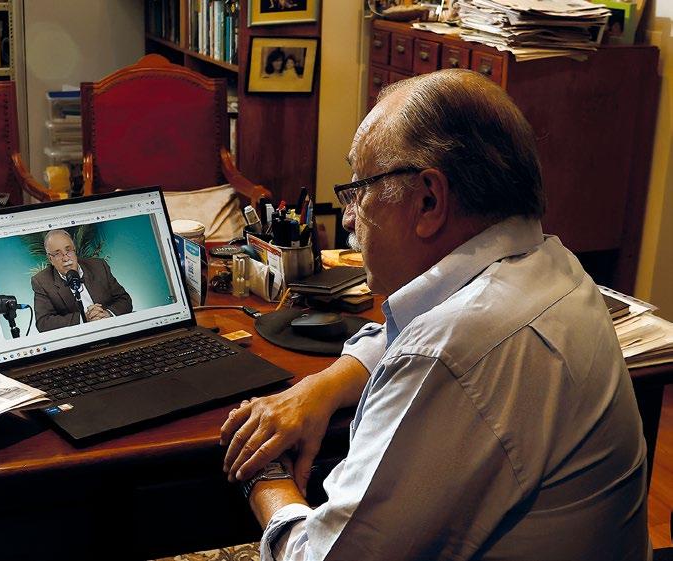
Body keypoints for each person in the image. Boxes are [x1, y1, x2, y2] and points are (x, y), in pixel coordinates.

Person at [220, 69, 649, 560]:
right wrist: (320, 387)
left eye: (359, 189)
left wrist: (264, 471)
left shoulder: (453, 350)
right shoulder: (553, 265)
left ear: (429, 200)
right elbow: (412, 330)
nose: (349, 217)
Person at [31, 229, 132, 333]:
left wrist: (107, 314)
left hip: (112, 329)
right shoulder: (42, 282)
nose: (66, 258)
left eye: (68, 250)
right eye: (58, 254)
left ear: (74, 250)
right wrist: (84, 318)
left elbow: (125, 299)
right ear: (50, 259)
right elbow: (43, 323)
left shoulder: (99, 266)